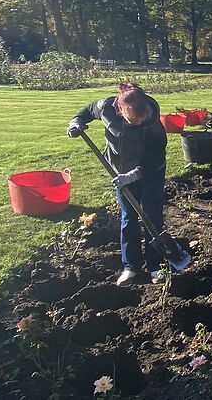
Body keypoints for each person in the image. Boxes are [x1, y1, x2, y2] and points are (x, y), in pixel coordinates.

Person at [67, 83, 168, 286]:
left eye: (140, 121)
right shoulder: (106, 107)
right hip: (120, 172)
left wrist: (132, 176)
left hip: (149, 173)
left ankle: (156, 266)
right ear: (120, 110)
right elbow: (88, 110)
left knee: (151, 215)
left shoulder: (154, 125)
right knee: (128, 217)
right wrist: (76, 121)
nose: (137, 124)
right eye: (132, 121)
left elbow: (155, 159)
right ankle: (130, 267)